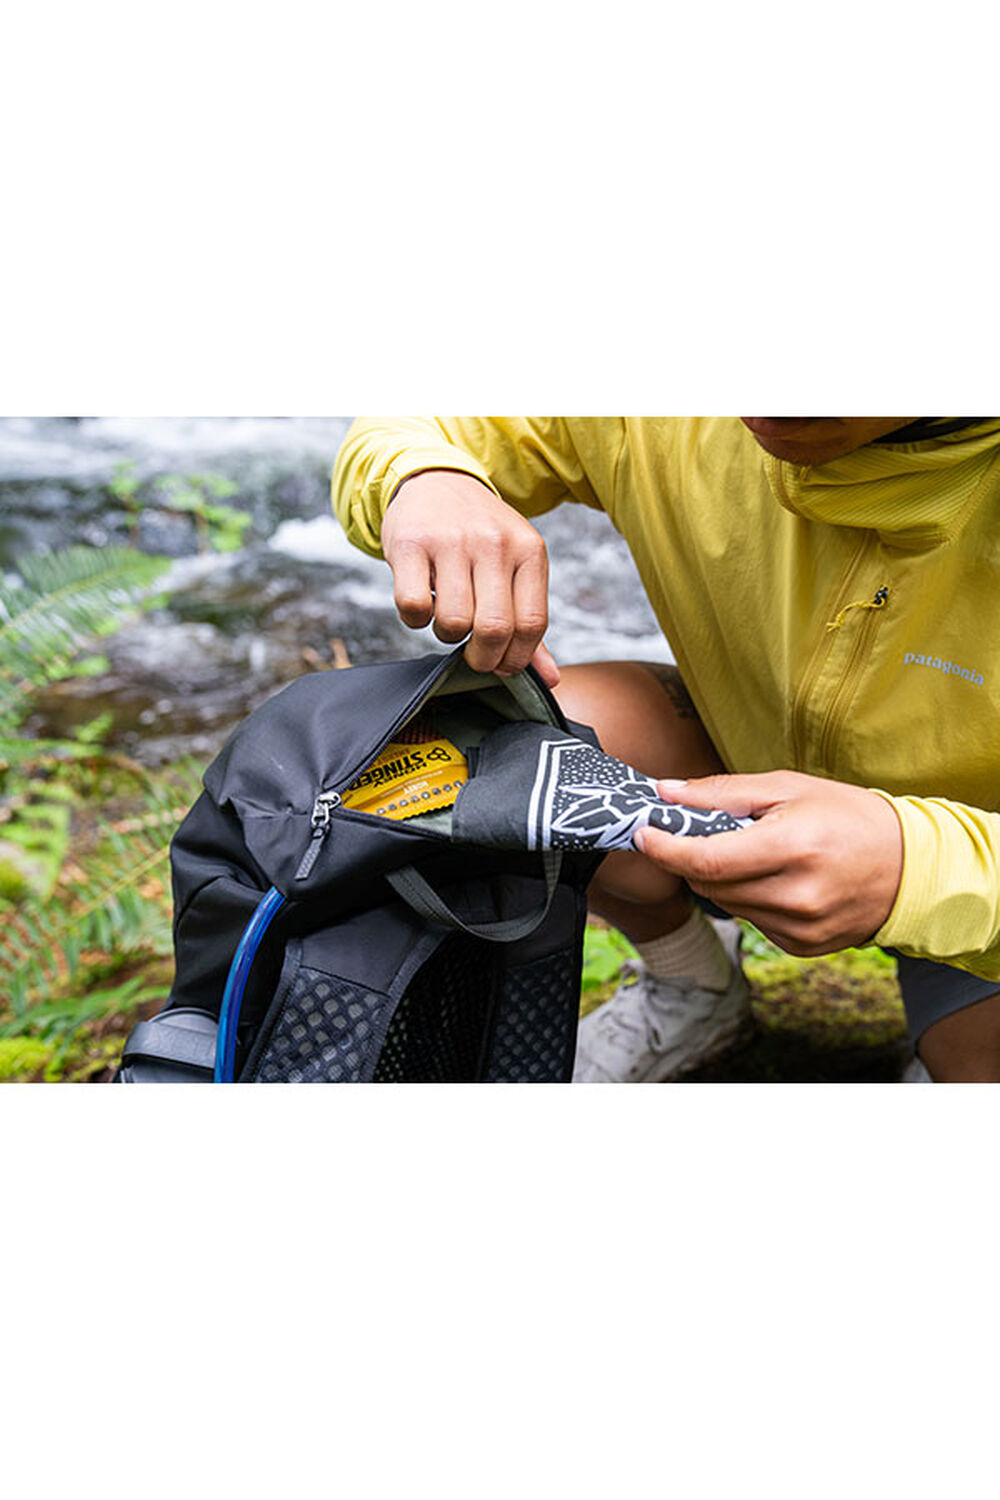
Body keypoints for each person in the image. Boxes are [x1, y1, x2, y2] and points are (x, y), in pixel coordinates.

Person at [332, 417, 1000, 1083]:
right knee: (510, 751)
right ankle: (692, 983)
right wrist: (425, 477)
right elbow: (414, 418)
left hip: (975, 872)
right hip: (734, 772)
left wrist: (925, 871)